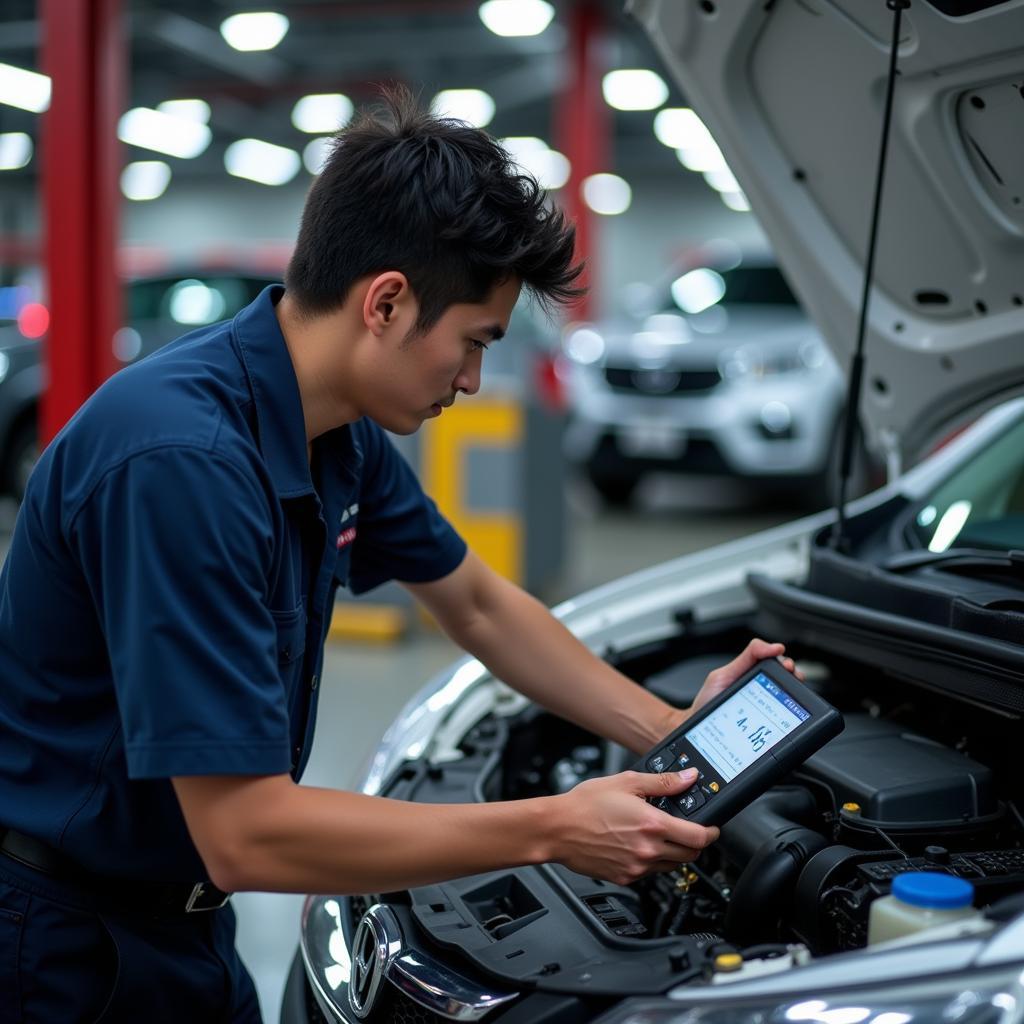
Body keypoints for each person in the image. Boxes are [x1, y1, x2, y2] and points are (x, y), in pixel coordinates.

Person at [0, 89, 800, 1023]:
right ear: (386, 302)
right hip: (63, 947)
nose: (471, 381)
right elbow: (246, 834)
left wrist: (670, 736)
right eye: (472, 343)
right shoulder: (183, 465)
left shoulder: (330, 428)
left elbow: (476, 604)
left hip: (182, 926)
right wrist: (555, 827)